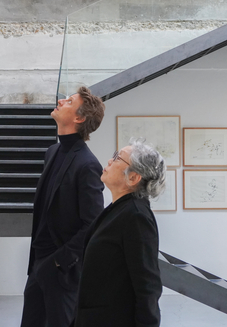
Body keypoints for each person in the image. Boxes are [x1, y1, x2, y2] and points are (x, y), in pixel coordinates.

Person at [20, 86, 106, 327]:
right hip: (39, 264)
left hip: (61, 271)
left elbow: (92, 225)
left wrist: (58, 262)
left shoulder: (88, 165)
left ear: (79, 118)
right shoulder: (52, 151)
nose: (60, 101)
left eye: (68, 101)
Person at [73, 139, 166, 327]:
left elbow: (148, 287)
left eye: (117, 158)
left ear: (133, 177)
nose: (109, 161)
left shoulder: (136, 216)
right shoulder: (118, 210)